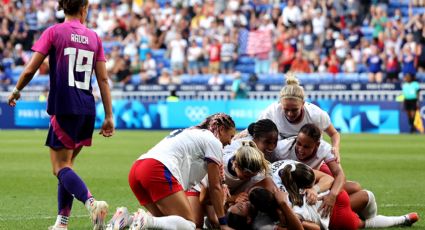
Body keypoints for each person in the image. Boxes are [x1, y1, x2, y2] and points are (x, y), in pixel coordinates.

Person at [7, 0, 115, 229]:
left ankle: (92, 203)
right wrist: (109, 115)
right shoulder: (94, 37)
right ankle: (61, 223)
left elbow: (30, 69)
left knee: (60, 168)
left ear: (63, 8)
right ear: (84, 8)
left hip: (65, 107)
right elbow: (103, 79)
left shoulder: (54, 32)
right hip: (87, 108)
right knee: (67, 166)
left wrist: (16, 91)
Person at [126, 113, 236, 230]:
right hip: (157, 169)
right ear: (222, 129)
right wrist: (223, 223)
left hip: (137, 169)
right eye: (231, 136)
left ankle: (127, 219)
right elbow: (215, 187)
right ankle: (145, 220)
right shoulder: (214, 142)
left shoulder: (190, 132)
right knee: (188, 225)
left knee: (166, 223)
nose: (230, 142)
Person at [271, 160, 419, 229]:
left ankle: (403, 219)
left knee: (363, 222)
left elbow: (312, 228)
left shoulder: (286, 200)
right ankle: (402, 218)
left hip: (330, 213)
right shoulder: (290, 166)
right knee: (367, 195)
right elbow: (328, 179)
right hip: (334, 199)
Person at [258, 73, 341, 162]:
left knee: (332, 174)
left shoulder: (316, 114)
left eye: (294, 110)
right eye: (286, 109)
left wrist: (335, 148)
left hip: (312, 161)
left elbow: (334, 134)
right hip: (281, 161)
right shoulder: (272, 112)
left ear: (303, 103)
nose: (289, 114)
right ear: (280, 103)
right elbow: (257, 133)